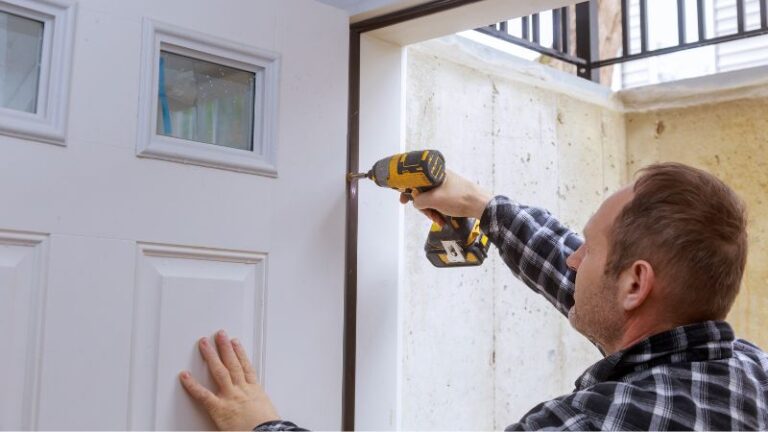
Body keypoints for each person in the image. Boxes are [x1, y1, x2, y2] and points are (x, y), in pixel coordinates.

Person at [180, 162, 768, 430]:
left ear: (637, 284)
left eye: (587, 247)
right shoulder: (750, 371)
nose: (573, 259)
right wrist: (481, 206)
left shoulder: (595, 424)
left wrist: (260, 428)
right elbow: (589, 286)